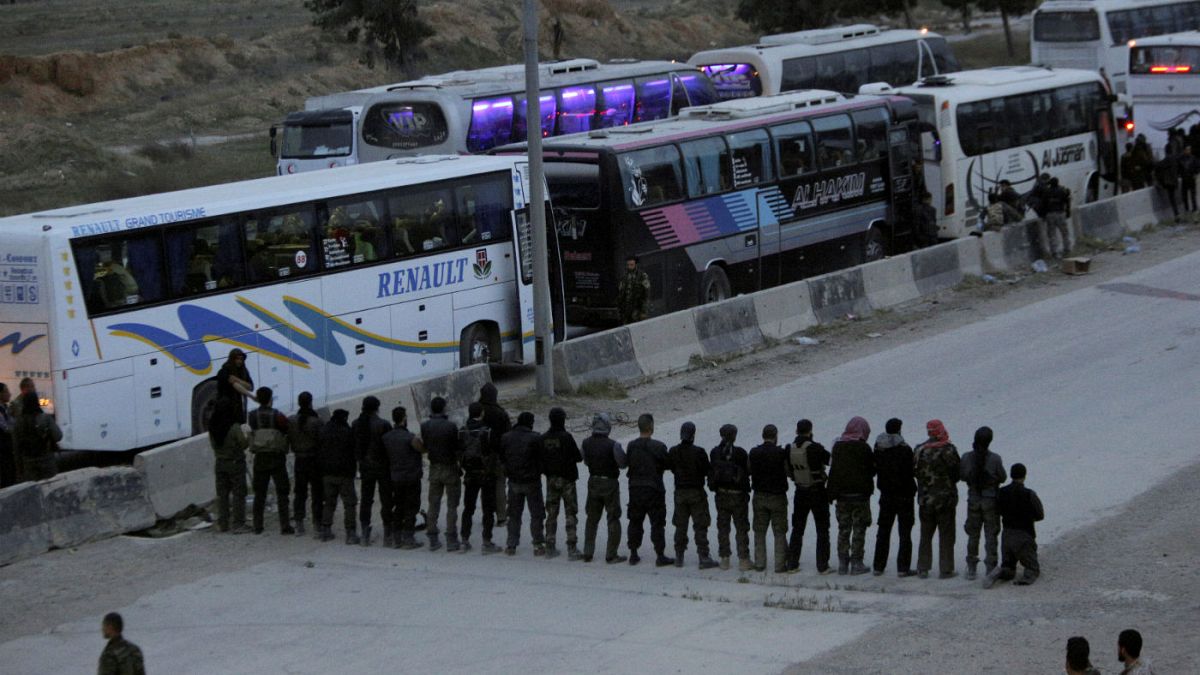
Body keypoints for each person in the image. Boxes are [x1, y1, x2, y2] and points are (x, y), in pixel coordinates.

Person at [827, 416, 875, 576]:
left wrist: (831, 492)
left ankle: (842, 563)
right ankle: (856, 562)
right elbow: (872, 469)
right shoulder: (864, 448)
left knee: (843, 529)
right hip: (860, 496)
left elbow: (833, 470)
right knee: (859, 529)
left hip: (841, 496)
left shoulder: (838, 447)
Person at [625, 413, 674, 566]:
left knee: (635, 521)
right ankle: (660, 554)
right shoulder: (659, 446)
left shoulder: (631, 445)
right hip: (654, 489)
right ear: (651, 427)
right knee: (657, 523)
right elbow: (668, 464)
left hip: (635, 488)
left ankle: (633, 553)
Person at [914, 419, 960, 579]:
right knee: (946, 535)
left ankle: (922, 568)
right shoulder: (948, 450)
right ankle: (946, 569)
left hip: (925, 499)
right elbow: (956, 474)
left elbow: (915, 472)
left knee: (925, 534)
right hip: (945, 500)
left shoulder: (919, 450)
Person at [785, 419, 832, 574]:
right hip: (817, 490)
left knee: (797, 528)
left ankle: (792, 563)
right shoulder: (815, 448)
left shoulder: (789, 448)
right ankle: (822, 565)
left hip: (800, 491)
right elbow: (829, 459)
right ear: (810, 430)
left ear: (796, 431)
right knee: (822, 529)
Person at [669, 421, 718, 569]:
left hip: (680, 492)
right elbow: (707, 471)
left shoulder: (674, 451)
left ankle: (679, 556)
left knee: (680, 525)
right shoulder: (699, 452)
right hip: (696, 492)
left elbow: (671, 467)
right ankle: (703, 556)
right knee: (700, 525)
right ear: (693, 435)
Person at [986, 463, 1044, 587]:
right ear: (1024, 476)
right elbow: (1040, 515)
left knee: (1009, 567)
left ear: (1011, 475)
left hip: (1007, 536)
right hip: (1024, 536)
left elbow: (997, 510)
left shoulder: (1001, 492)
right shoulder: (1028, 494)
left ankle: (1001, 571)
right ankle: (1026, 578)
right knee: (1032, 568)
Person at [960, 426, 1006, 580]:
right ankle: (990, 566)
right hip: (990, 499)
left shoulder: (966, 457)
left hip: (973, 499)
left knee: (973, 534)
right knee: (991, 534)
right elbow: (1003, 477)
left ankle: (971, 566)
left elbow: (962, 475)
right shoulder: (995, 458)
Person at [581, 413, 628, 563]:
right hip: (610, 483)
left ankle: (588, 552)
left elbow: (586, 461)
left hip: (593, 481)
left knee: (592, 519)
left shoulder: (585, 443)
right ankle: (611, 554)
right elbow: (622, 464)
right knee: (613, 518)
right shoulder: (614, 445)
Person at [872, 418, 916, 577]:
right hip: (904, 494)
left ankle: (878, 565)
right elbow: (911, 470)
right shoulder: (905, 449)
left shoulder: (878, 447)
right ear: (899, 430)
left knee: (883, 530)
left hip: (886, 494)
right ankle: (903, 567)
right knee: (905, 532)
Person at [247, 387, 292, 535]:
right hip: (276, 457)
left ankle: (257, 526)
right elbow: (286, 428)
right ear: (270, 399)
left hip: (260, 457)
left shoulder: (252, 416)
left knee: (260, 493)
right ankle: (285, 525)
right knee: (282, 491)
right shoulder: (277, 415)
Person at [501, 411, 546, 556]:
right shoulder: (536, 438)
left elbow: (502, 458)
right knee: (537, 514)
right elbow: (541, 459)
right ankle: (538, 544)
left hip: (513, 481)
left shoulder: (506, 437)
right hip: (532, 481)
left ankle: (511, 544)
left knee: (514, 514)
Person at [541, 407, 582, 560]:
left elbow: (540, 459)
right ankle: (572, 548)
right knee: (570, 513)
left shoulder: (543, 438)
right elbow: (578, 457)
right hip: (568, 480)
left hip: (551, 480)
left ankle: (549, 546)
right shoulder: (566, 437)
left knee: (551, 513)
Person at [422, 396, 462, 552]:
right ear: (444, 408)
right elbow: (457, 448)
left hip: (434, 467)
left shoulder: (425, 426)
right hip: (450, 467)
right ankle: (451, 538)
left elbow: (426, 445)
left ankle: (432, 537)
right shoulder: (451, 426)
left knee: (433, 503)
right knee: (452, 505)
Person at [382, 406, 426, 549]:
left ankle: (396, 537)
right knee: (411, 507)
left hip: (395, 477)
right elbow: (422, 449)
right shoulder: (410, 437)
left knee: (398, 506)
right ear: (404, 419)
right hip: (411, 477)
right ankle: (408, 538)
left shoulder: (386, 437)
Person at [748, 424, 790, 573]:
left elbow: (749, 470)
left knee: (759, 530)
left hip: (759, 495)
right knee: (779, 531)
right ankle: (779, 564)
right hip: (777, 496)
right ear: (776, 436)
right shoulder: (781, 453)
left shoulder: (754, 452)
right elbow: (788, 471)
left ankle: (760, 562)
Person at [710, 423, 751, 571]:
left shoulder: (715, 452)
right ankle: (743, 559)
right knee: (741, 527)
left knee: (723, 527)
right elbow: (747, 472)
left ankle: (724, 558)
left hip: (721, 494)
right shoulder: (740, 453)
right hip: (738, 496)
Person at [353, 396, 393, 546]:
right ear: (377, 407)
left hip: (365, 467)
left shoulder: (356, 423)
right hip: (383, 467)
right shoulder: (383, 424)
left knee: (366, 499)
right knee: (386, 499)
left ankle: (364, 533)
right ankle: (388, 535)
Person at [460, 402, 499, 554]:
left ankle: (464, 540)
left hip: (470, 473)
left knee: (468, 508)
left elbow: (459, 450)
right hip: (486, 473)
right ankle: (487, 542)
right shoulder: (487, 431)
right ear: (481, 413)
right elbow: (494, 450)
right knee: (488, 508)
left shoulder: (462, 431)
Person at [208, 398, 250, 534]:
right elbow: (244, 444)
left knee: (223, 495)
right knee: (238, 494)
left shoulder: (212, 427)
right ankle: (238, 523)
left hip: (220, 463)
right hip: (235, 463)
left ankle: (223, 523)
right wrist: (249, 436)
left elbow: (213, 445)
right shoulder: (234, 427)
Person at [318, 409, 359, 544]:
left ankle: (325, 530)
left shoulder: (323, 431)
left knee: (329, 503)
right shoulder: (347, 432)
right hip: (345, 473)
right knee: (349, 503)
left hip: (327, 473)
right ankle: (350, 533)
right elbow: (354, 451)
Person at [287, 392, 323, 538]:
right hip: (314, 459)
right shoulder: (316, 421)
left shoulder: (292, 420)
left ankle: (299, 523)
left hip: (299, 460)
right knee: (317, 493)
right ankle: (317, 523)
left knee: (300, 493)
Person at [479, 383, 511, 526]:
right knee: (499, 484)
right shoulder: (500, 412)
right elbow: (508, 434)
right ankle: (501, 516)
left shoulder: (477, 410)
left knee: (486, 485)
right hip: (498, 454)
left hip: (482, 455)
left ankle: (487, 514)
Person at [13, 391, 61, 481]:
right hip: (46, 460)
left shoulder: (18, 423)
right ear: (36, 402)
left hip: (28, 462)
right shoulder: (45, 418)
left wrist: (19, 470)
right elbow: (58, 436)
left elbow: (16, 448)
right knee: (50, 486)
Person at [215, 348, 254, 423]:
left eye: (241, 359)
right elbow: (233, 383)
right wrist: (251, 396)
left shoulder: (244, 371)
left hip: (240, 408)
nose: (239, 361)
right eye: (237, 359)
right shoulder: (224, 371)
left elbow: (251, 387)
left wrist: (238, 379)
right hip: (227, 409)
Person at [1043, 177, 1072, 259]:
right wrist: (1068, 211)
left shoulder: (1046, 192)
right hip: (1060, 213)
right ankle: (1067, 249)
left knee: (1052, 234)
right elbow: (1067, 201)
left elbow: (1043, 204)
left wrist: (1044, 214)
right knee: (1065, 233)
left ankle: (1054, 252)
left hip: (1050, 214)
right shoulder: (1063, 190)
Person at [616, 255, 651, 325]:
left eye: (631, 265)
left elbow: (646, 294)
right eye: (628, 265)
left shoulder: (642, 276)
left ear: (636, 265)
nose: (629, 267)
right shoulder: (624, 276)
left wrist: (644, 311)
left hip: (637, 308)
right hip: (626, 309)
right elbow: (621, 293)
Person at [1155, 151, 1181, 221]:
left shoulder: (1165, 161)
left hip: (1168, 183)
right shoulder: (1175, 160)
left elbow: (1158, 166)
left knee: (1172, 199)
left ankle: (1176, 214)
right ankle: (1177, 214)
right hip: (1174, 182)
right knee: (1174, 199)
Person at [0, 382, 16, 488]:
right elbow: (6, 428)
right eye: (6, 391)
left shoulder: (6, 408)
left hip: (8, 448)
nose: (9, 394)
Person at [1180, 145, 1198, 213]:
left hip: (1191, 178)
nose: (1188, 151)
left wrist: (1195, 174)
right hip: (1184, 179)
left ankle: (1195, 208)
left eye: (1189, 149)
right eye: (1187, 149)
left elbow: (1197, 167)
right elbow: (1179, 168)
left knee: (1193, 195)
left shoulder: (1193, 158)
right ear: (1184, 150)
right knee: (1184, 196)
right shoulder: (1181, 159)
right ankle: (1186, 209)